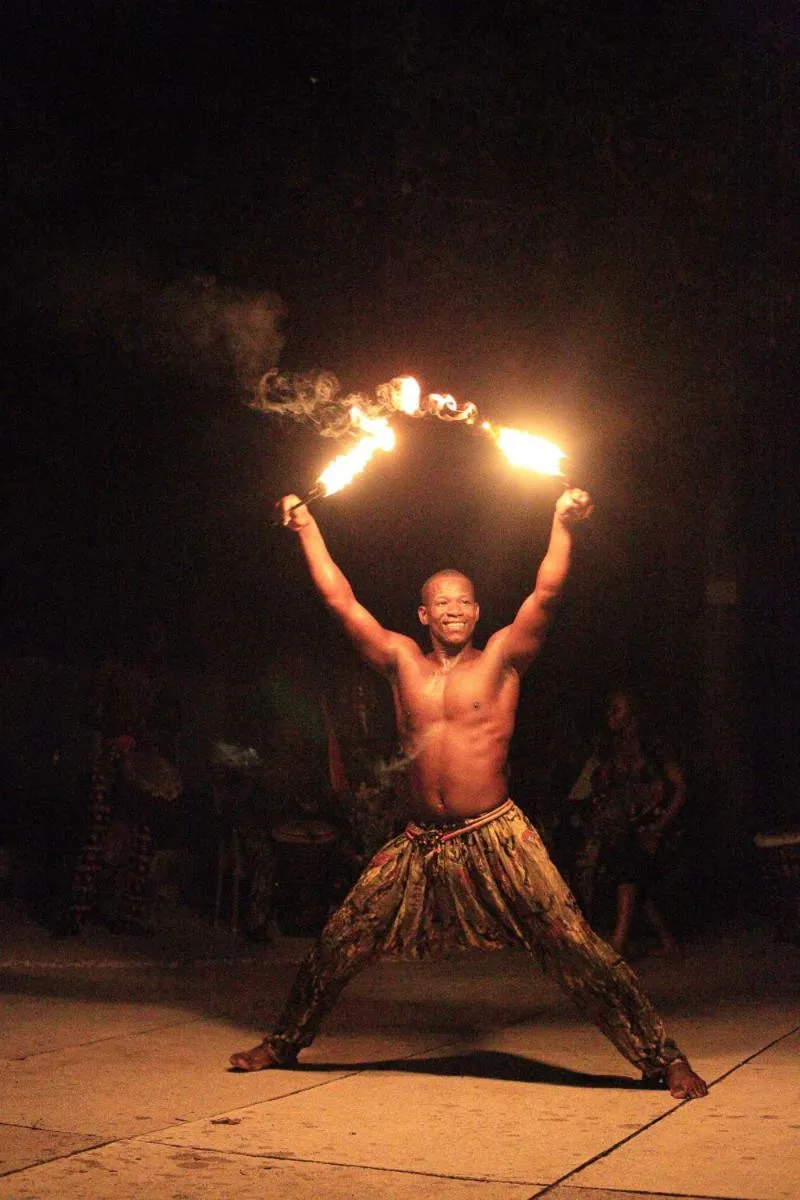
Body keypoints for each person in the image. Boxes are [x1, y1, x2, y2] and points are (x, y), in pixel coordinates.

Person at [230, 490, 707, 1100]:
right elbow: (339, 600)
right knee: (340, 940)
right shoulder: (400, 659)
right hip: (418, 842)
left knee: (575, 945)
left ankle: (663, 1060)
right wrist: (305, 526)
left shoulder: (504, 659)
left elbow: (548, 594)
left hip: (497, 834)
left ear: (477, 612)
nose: (453, 610)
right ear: (423, 615)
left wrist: (561, 523)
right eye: (440, 603)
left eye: (463, 601)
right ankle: (284, 1042)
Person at [573, 690, 688, 957]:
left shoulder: (653, 747)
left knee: (627, 856)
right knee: (623, 856)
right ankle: (666, 940)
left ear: (633, 716)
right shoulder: (611, 749)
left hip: (661, 825)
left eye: (616, 710)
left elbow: (680, 787)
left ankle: (619, 940)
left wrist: (660, 825)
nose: (609, 715)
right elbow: (602, 790)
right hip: (631, 829)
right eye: (609, 709)